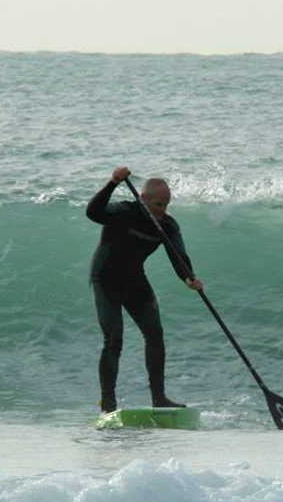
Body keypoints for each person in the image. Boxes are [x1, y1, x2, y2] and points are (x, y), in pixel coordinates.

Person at [86, 166, 203, 413]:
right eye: (159, 205)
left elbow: (178, 257)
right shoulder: (124, 212)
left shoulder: (168, 226)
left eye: (166, 205)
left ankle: (159, 398)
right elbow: (93, 212)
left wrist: (189, 278)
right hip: (105, 279)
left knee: (155, 334)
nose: (163, 211)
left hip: (133, 281)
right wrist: (112, 183)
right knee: (114, 339)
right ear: (143, 199)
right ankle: (108, 404)